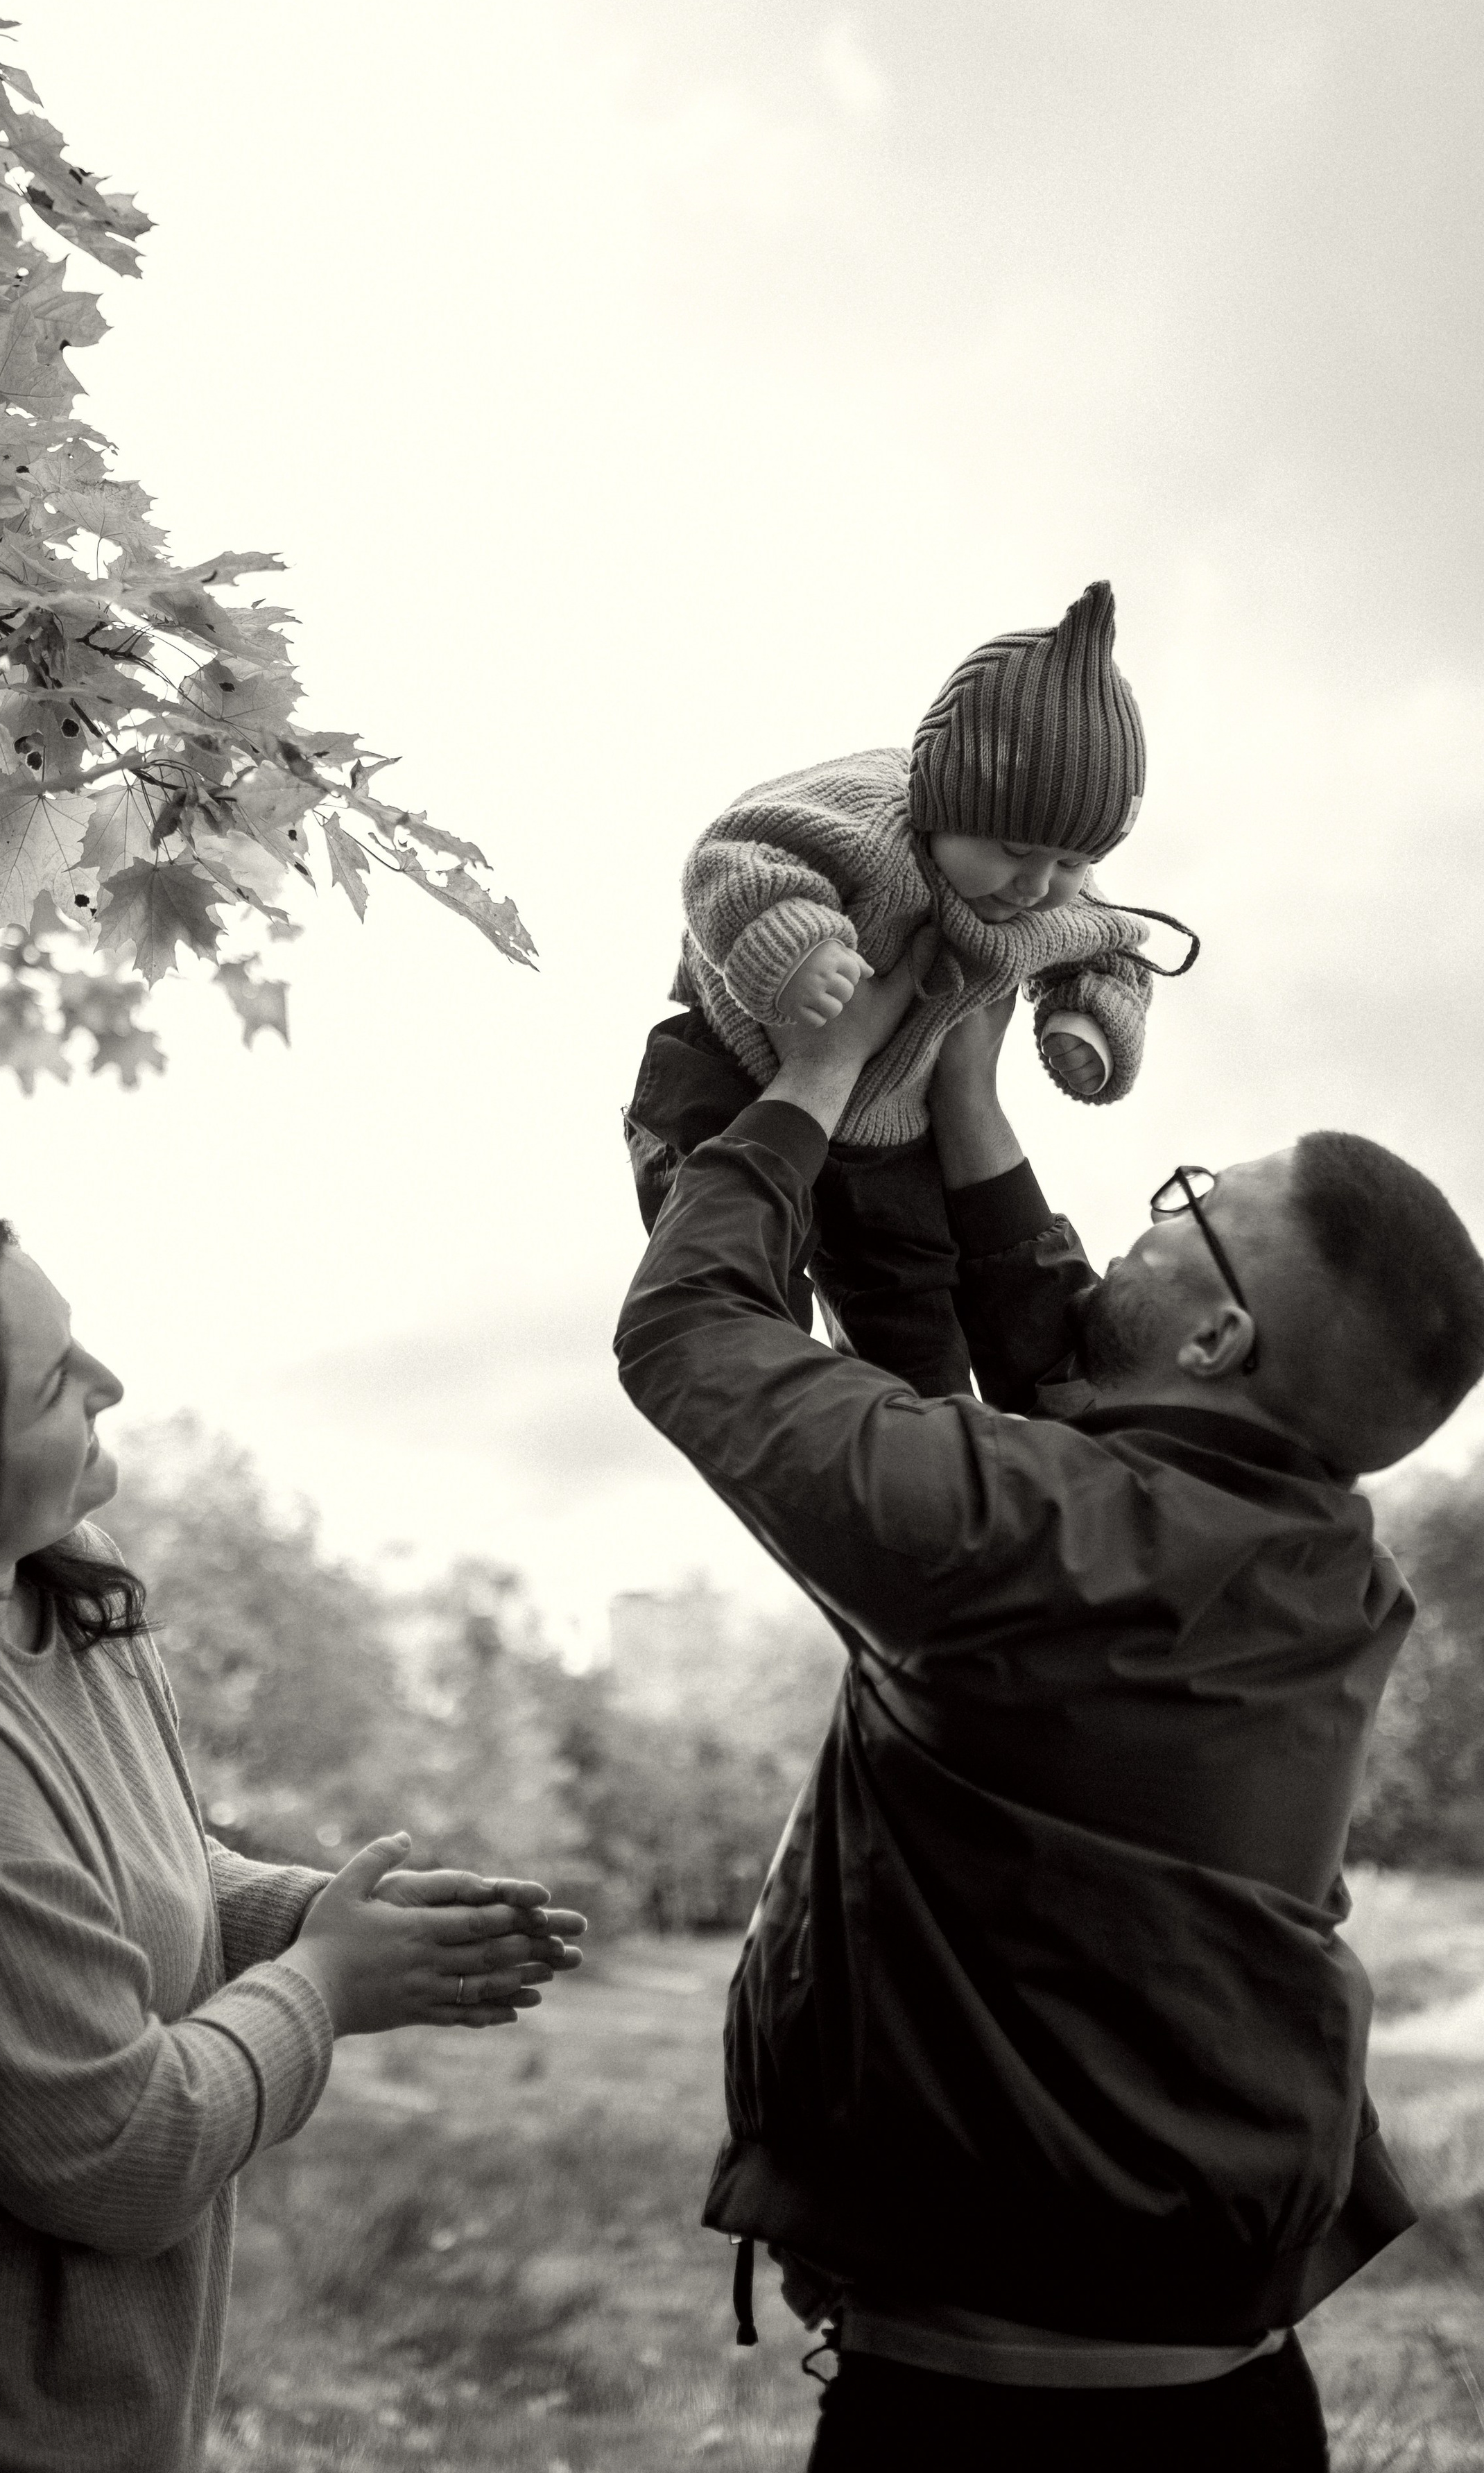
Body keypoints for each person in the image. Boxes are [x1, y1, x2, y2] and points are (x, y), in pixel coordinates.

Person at [614, 965, 1484, 2472]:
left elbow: (688, 1332)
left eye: (1194, 1208)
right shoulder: (1319, 1563)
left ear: (1216, 1339)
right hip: (1232, 2409)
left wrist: (809, 1082)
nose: (1154, 1211)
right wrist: (966, 1101)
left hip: (984, 2431)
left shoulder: (1027, 1543)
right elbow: (1083, 1387)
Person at [0, 1195, 585, 2473]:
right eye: (59, 1380)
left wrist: (312, 1918)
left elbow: (149, 1870)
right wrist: (326, 1985)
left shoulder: (61, 1586)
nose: (112, 1381)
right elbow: (119, 2154)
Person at [624, 578, 1196, 1395]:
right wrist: (799, 945)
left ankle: (918, 1445)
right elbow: (735, 853)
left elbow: (1114, 949)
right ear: (942, 796)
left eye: (1072, 861)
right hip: (735, 1071)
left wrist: (1089, 1024)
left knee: (917, 1344)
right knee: (741, 1309)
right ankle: (757, 1351)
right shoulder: (865, 811)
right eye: (1011, 847)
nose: (1037, 884)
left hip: (895, 1139)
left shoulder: (1054, 897)